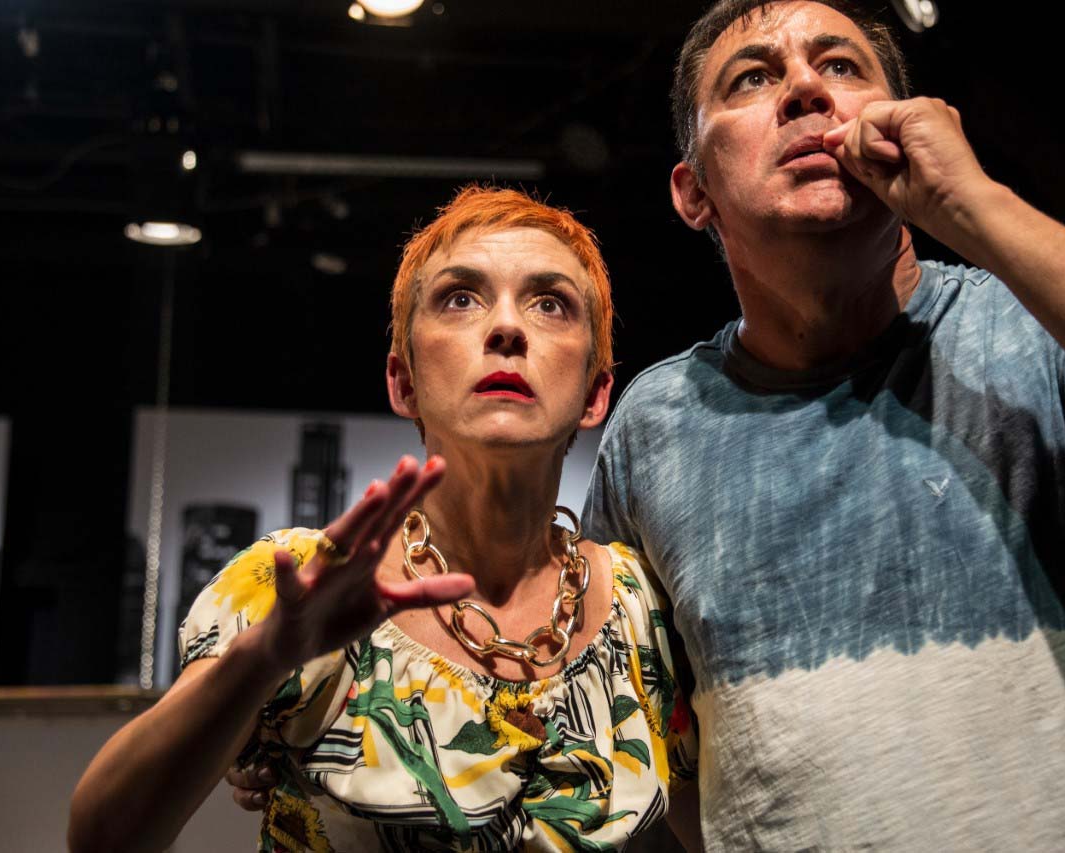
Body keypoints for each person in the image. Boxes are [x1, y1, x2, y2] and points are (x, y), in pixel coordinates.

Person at [580, 0, 1065, 850]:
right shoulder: (653, 429)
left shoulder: (1039, 332)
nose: (805, 88)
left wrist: (972, 202)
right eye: (752, 78)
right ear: (694, 192)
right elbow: (644, 756)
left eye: (841, 66)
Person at [68, 187, 698, 853]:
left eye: (550, 303)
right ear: (404, 381)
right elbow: (102, 838)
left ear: (596, 393)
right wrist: (264, 660)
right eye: (461, 298)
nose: (507, 328)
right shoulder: (299, 582)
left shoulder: (641, 614)